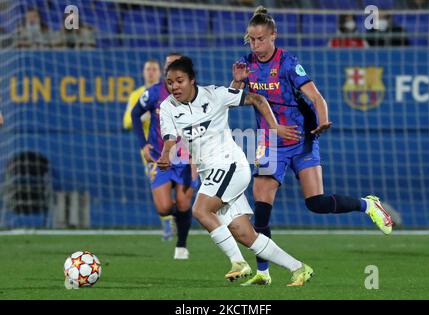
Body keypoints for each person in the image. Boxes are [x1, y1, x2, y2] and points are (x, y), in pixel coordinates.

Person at [231, 6, 393, 286]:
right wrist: (236, 81)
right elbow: (232, 99)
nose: (255, 45)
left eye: (260, 39)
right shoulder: (246, 64)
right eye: (251, 39)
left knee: (316, 203)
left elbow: (316, 97)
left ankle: (368, 205)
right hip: (269, 142)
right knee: (262, 210)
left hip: (300, 139)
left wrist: (324, 120)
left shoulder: (289, 64)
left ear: (273, 36)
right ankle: (264, 272)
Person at [158, 56, 314, 286]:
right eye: (170, 82)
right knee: (244, 234)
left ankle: (239, 263)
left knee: (201, 210)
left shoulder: (215, 95)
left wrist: (275, 127)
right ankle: (299, 268)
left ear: (192, 80)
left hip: (230, 165)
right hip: (210, 174)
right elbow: (170, 138)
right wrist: (165, 154)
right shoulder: (167, 107)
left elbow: (258, 99)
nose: (174, 87)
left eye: (179, 81)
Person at [131, 53, 199, 260]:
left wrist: (196, 159)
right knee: (163, 208)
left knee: (184, 203)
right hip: (160, 158)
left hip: (185, 158)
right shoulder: (154, 93)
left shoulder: (195, 94)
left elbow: (203, 127)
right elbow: (135, 113)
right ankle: (179, 222)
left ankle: (181, 245)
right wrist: (143, 145)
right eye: (168, 65)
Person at [123, 59, 177, 241]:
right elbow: (127, 121)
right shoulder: (137, 95)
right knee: (161, 190)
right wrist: (144, 117)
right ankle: (168, 225)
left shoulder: (171, 90)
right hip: (151, 151)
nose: (151, 72)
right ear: (143, 72)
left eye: (154, 69)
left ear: (160, 72)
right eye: (148, 69)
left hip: (177, 150)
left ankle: (175, 218)